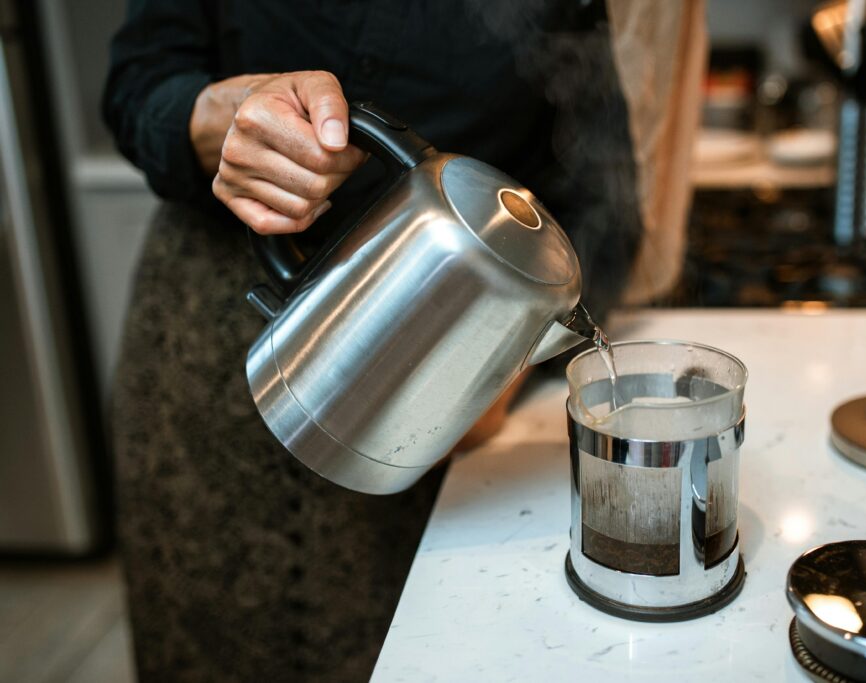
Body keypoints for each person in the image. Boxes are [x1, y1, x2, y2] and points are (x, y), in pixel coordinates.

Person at [104, 1, 702, 680]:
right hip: (213, 343)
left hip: (438, 358)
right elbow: (136, 85)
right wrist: (220, 114)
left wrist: (505, 360)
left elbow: (603, 204)